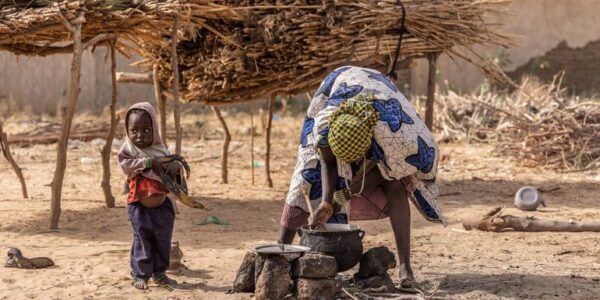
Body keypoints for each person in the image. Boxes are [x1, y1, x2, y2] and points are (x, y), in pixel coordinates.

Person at [278, 66, 446, 291]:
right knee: (305, 175)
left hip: (380, 105)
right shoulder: (325, 128)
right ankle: (278, 255)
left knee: (394, 185)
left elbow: (389, 170)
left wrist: (347, 192)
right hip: (337, 86)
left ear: (369, 145)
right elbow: (328, 163)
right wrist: (327, 203)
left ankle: (406, 268)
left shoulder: (398, 136)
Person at [118, 102, 180, 290]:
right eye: (134, 130)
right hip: (139, 207)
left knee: (163, 240)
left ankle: (159, 273)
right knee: (142, 240)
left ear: (155, 128)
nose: (140, 134)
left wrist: (173, 168)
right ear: (127, 131)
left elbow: (172, 177)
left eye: (146, 129)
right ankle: (140, 275)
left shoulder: (161, 151)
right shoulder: (128, 152)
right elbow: (126, 166)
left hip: (162, 207)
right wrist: (147, 162)